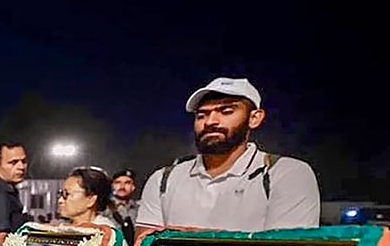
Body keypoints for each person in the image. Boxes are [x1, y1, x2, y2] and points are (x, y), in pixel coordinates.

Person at [136, 77, 320, 235]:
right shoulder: (163, 180)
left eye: (226, 111)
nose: (210, 122)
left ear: (254, 118)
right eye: (202, 115)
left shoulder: (287, 174)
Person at [110, 168, 139, 246]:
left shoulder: (140, 209)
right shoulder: (104, 208)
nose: (122, 186)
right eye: (118, 182)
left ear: (133, 187)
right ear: (112, 186)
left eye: (127, 183)